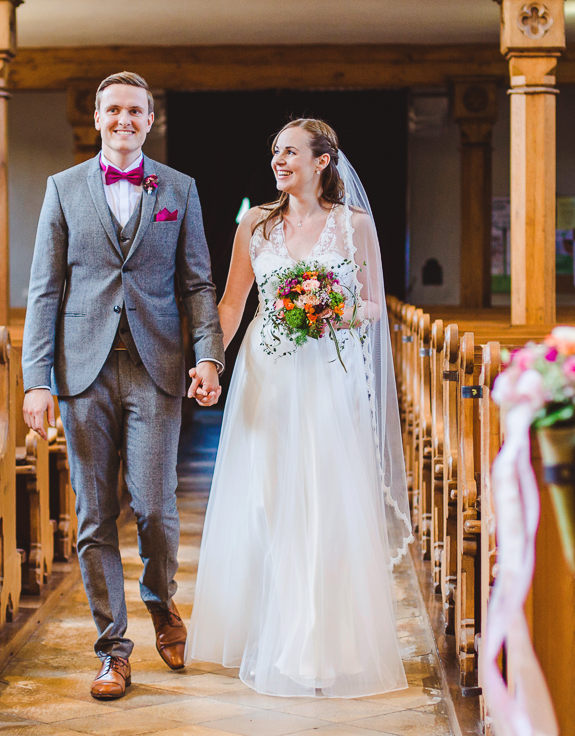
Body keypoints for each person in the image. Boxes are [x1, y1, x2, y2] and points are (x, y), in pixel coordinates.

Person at [187, 118, 412, 698]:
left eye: (290, 152)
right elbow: (234, 302)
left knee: (327, 503)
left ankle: (323, 646)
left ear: (322, 161)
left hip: (328, 378)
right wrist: (211, 363)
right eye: (274, 152)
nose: (278, 161)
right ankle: (274, 635)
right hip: (267, 376)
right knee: (272, 500)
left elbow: (373, 309)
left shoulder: (354, 226)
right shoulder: (254, 226)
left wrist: (332, 308)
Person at [22, 72, 225, 701]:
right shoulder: (62, 190)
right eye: (113, 110)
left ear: (150, 118)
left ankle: (162, 603)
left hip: (155, 367)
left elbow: (197, 284)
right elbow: (45, 289)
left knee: (157, 508)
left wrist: (208, 357)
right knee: (92, 515)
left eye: (135, 111)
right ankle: (113, 650)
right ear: (97, 116)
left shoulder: (179, 190)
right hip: (82, 372)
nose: (124, 120)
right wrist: (37, 379)